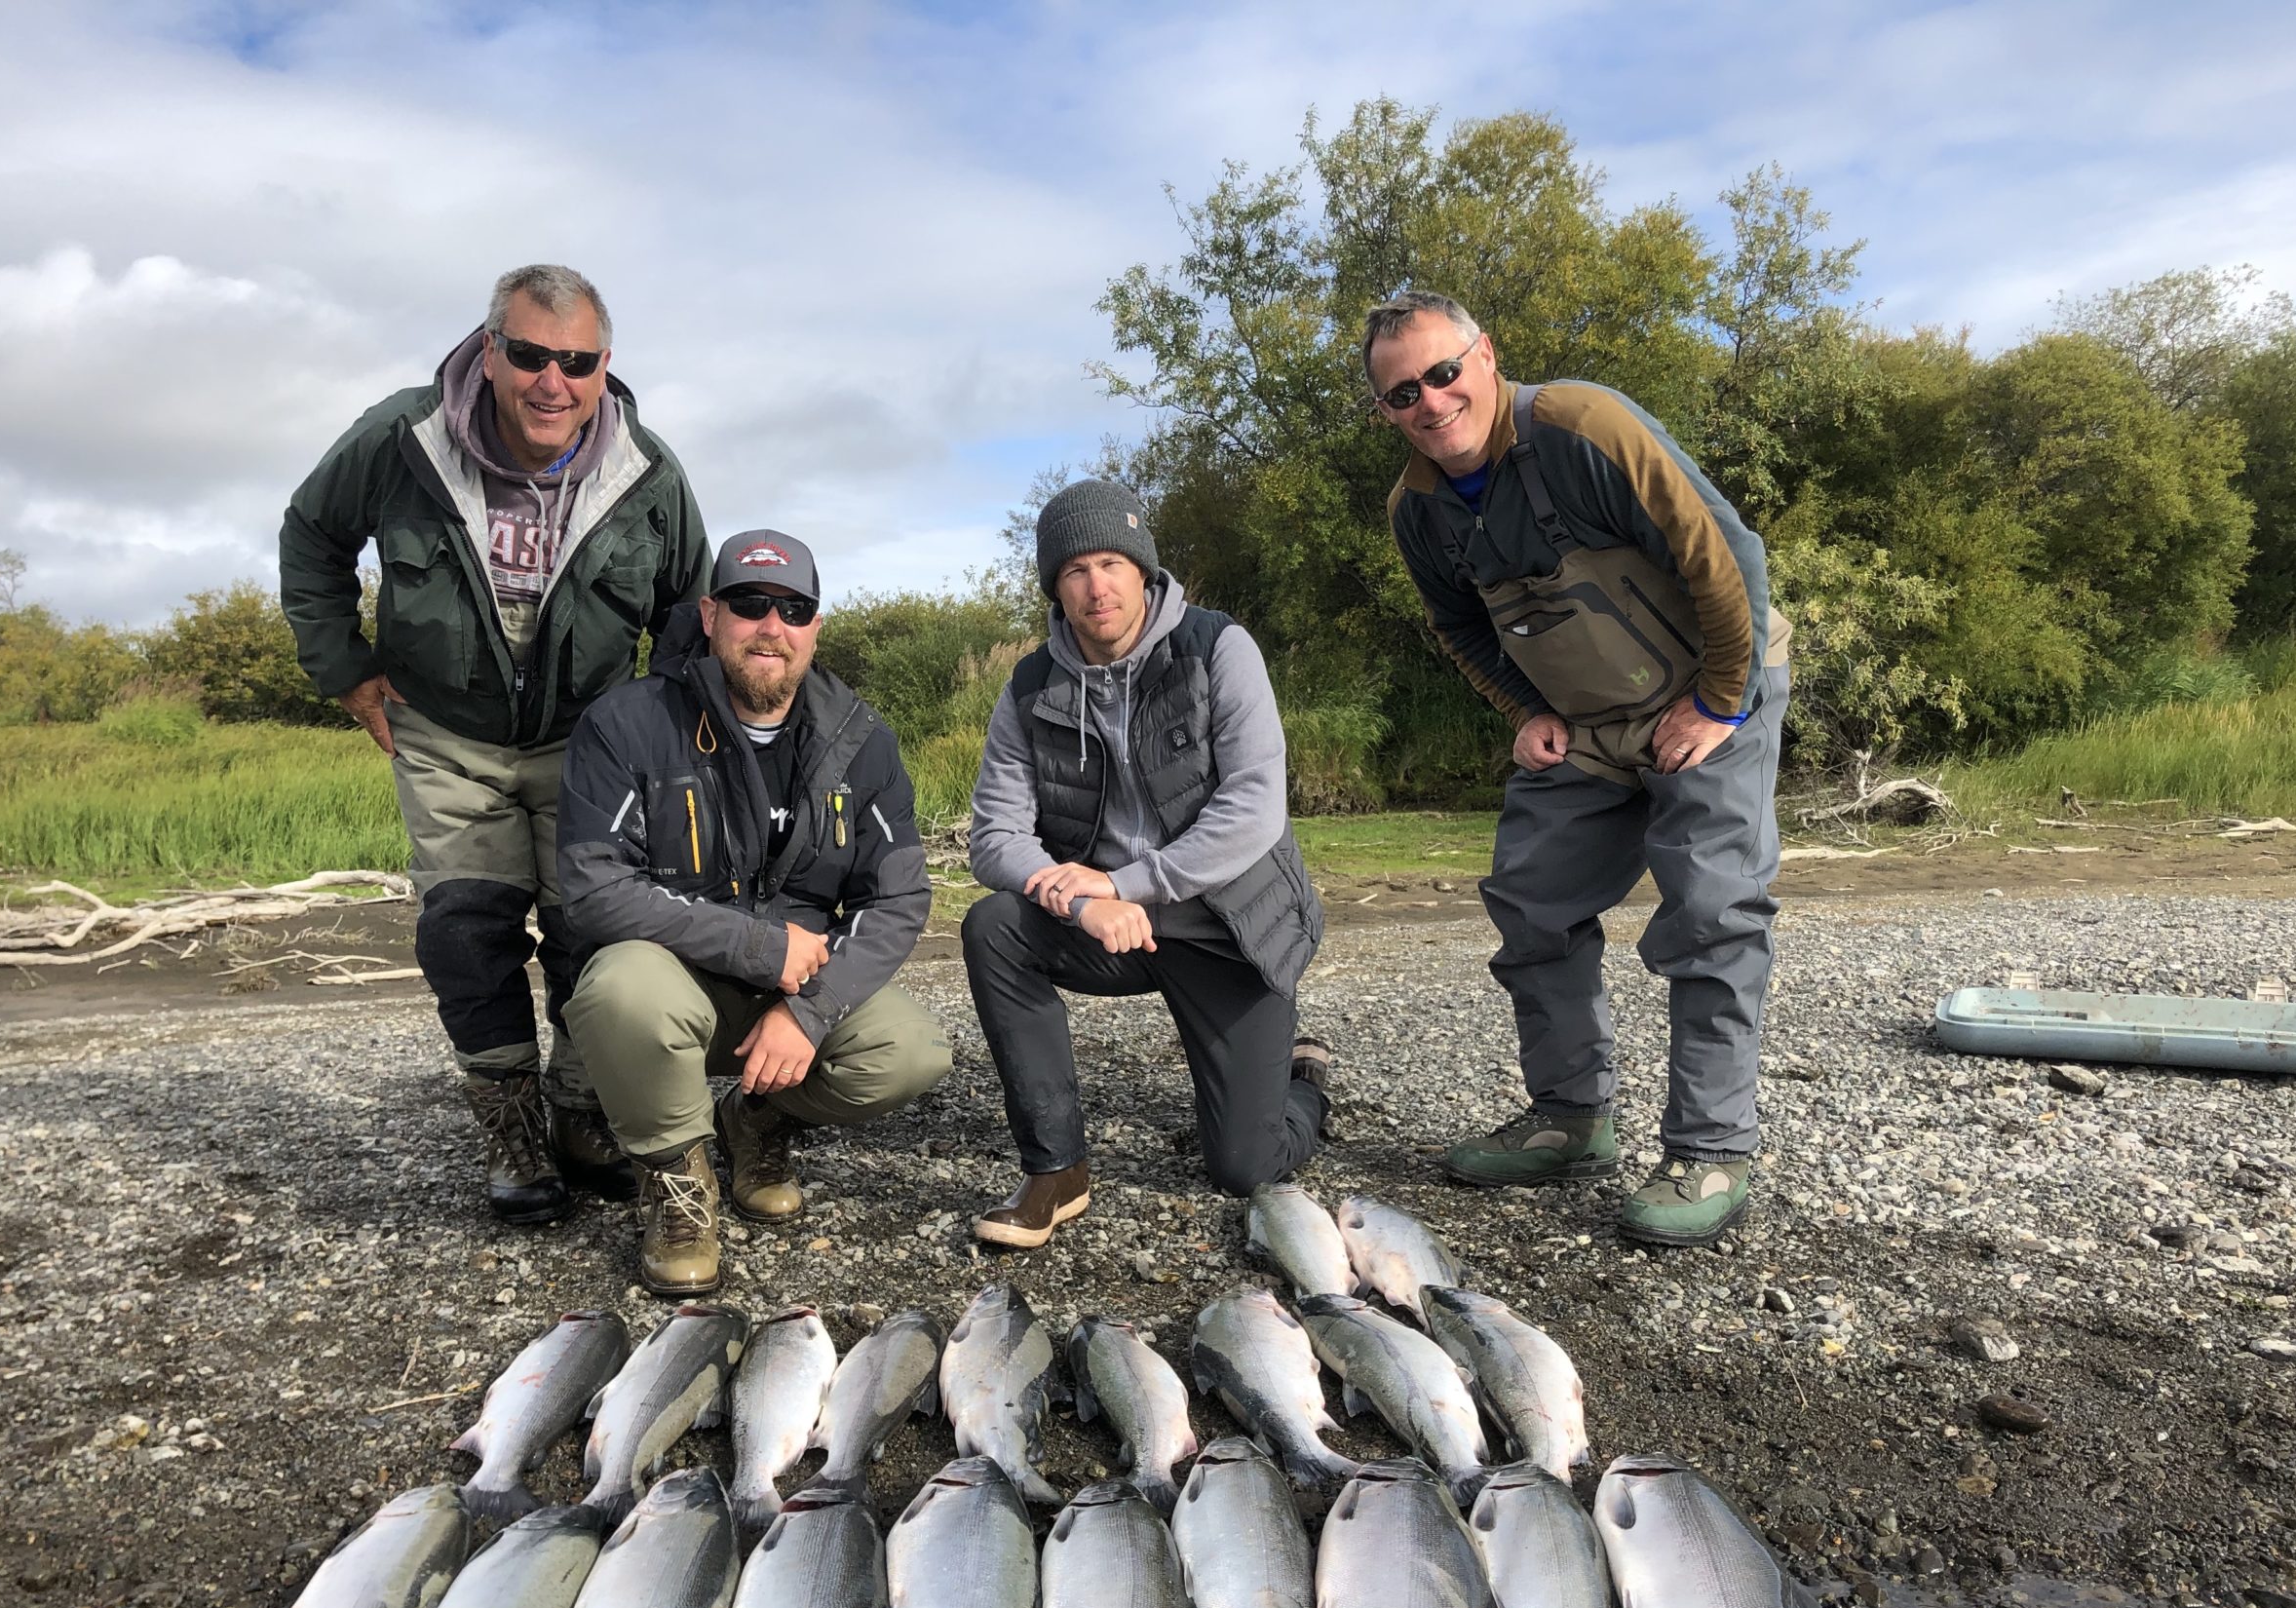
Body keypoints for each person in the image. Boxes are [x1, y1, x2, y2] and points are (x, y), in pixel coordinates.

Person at [281, 263, 710, 1225]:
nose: (551, 381)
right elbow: (311, 534)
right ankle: (511, 1132)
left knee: (590, 935)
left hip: (593, 743)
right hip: (445, 732)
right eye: (528, 355)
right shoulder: (402, 439)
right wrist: (344, 668)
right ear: (490, 351)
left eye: (577, 360)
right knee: (465, 935)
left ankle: (576, 1107)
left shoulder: (648, 471)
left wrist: (660, 724)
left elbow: (691, 608)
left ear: (605, 365)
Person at [1369, 288, 1792, 1248]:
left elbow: (1726, 559)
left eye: (1444, 373)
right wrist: (1525, 710)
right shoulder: (1417, 511)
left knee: (1711, 911)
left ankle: (1711, 1147)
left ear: (1486, 358)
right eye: (1403, 394)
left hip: (1711, 686)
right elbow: (1458, 626)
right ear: (1385, 412)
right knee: (1529, 901)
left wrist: (1721, 700)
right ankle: (1569, 1117)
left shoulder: (1581, 426)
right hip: (1587, 723)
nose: (1431, 403)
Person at [555, 529, 949, 1294]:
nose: (773, 626)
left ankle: (756, 1118)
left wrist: (810, 1011)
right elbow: (594, 887)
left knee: (912, 1050)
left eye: (794, 609)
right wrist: (759, 949)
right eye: (750, 604)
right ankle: (677, 1176)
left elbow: (898, 897)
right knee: (619, 991)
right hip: (676, 979)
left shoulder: (862, 740)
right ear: (711, 615)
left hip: (795, 989)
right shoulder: (628, 723)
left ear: (816, 629)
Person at [960, 479, 1330, 1248]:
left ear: (1144, 570)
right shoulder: (1030, 686)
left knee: (1244, 1167)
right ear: (1055, 588)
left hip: (1228, 930)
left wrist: (1127, 882)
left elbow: (1256, 808)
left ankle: (1304, 1082)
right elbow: (994, 834)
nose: (1097, 587)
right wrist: (1081, 903)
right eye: (1074, 572)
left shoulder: (1218, 648)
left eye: (1111, 564)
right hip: (1113, 928)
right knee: (995, 925)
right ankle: (1056, 1169)